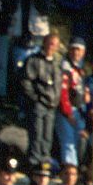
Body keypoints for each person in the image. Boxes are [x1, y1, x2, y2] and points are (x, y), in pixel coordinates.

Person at [21, 33, 63, 167]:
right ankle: (34, 162)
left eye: (55, 45)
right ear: (44, 43)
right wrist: (35, 98)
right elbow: (26, 81)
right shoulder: (33, 60)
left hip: (52, 105)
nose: (52, 47)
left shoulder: (57, 63)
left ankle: (45, 161)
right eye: (50, 43)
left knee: (47, 135)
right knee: (36, 133)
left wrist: (55, 100)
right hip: (38, 103)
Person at [56, 38, 93, 166]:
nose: (76, 53)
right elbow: (62, 92)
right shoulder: (65, 67)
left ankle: (78, 170)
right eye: (73, 49)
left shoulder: (81, 68)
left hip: (79, 110)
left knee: (80, 140)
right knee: (68, 142)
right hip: (67, 111)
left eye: (78, 50)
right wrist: (68, 113)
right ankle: (69, 170)